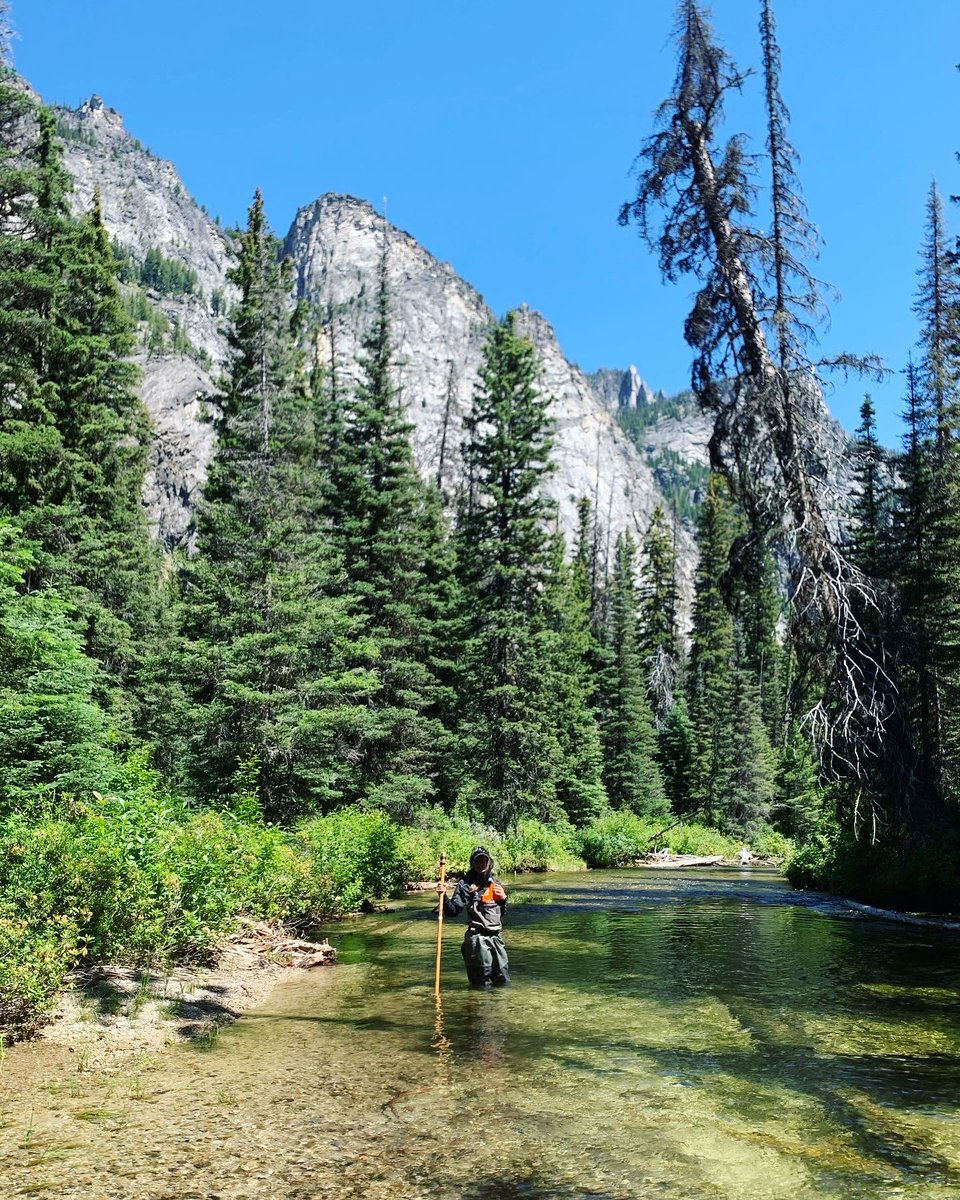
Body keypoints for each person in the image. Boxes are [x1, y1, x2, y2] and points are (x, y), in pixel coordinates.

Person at [436, 846, 510, 988]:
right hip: (477, 939)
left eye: (484, 860)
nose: (481, 864)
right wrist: (443, 896)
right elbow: (453, 911)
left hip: (496, 938)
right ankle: (477, 1007)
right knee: (479, 985)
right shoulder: (465, 884)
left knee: (503, 982)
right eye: (478, 861)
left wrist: (503, 899)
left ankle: (498, 1009)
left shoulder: (495, 883)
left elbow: (501, 913)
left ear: (489, 863)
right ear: (472, 863)